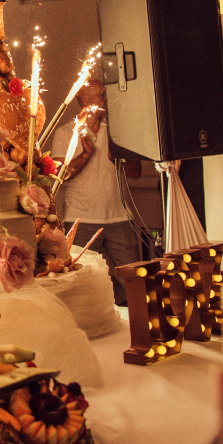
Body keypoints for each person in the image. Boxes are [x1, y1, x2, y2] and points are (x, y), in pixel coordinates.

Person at [52, 76, 143, 305]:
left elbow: (136, 172)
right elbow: (59, 177)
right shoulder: (66, 133)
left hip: (119, 217)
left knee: (132, 284)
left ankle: (136, 331)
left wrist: (120, 156)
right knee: (83, 284)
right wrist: (85, 154)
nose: (105, 99)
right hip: (79, 219)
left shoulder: (117, 131)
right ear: (84, 99)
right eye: (100, 95)